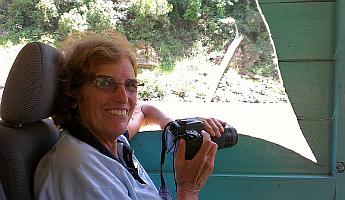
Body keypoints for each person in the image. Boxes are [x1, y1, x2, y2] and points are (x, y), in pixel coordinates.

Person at [34, 31, 226, 200]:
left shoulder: (111, 142)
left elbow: (143, 111)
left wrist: (172, 126)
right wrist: (188, 190)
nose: (123, 97)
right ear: (74, 92)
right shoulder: (81, 170)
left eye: (130, 85)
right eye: (104, 83)